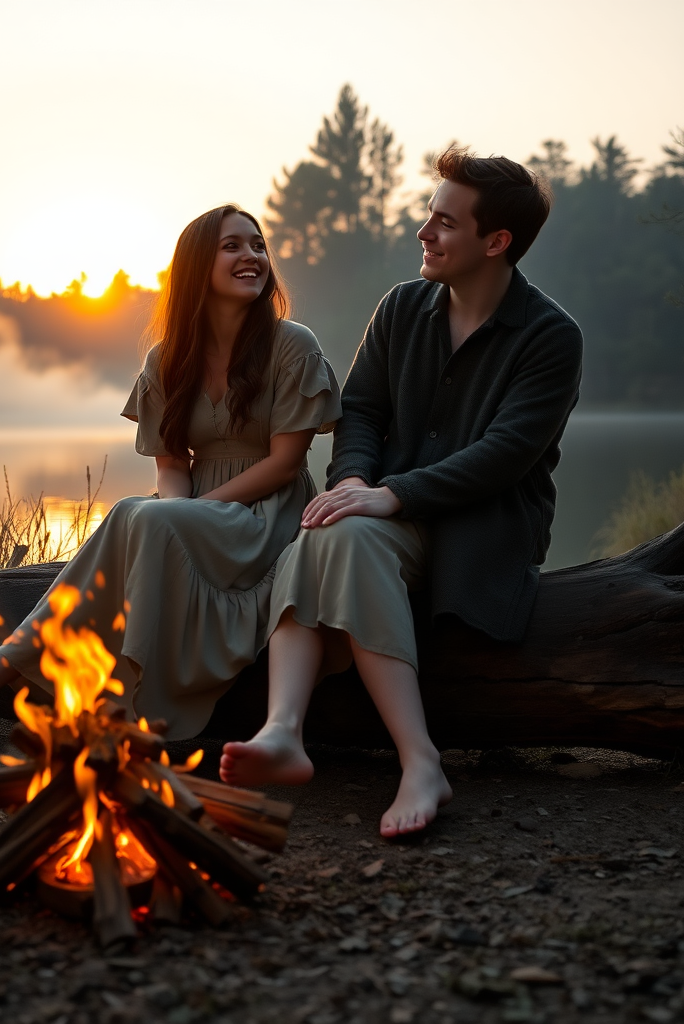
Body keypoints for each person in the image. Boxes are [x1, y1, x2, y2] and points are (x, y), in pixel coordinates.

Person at [220, 147, 584, 837]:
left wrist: (392, 495)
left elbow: (505, 456)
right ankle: (283, 730)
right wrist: (354, 479)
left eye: (444, 222)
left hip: (481, 528)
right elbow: (361, 411)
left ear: (496, 241)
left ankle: (419, 762)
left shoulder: (551, 337)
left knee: (346, 529)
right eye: (429, 215)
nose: (424, 232)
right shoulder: (402, 308)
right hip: (383, 519)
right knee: (327, 523)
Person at [0, 205, 342, 738]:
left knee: (139, 515)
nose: (252, 257)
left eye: (258, 245)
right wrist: (178, 513)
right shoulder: (168, 358)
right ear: (198, 266)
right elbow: (172, 466)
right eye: (233, 246)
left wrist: (187, 514)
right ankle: (84, 685)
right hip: (194, 507)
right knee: (143, 513)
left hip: (267, 516)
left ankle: (30, 664)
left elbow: (286, 463)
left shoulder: (293, 344)